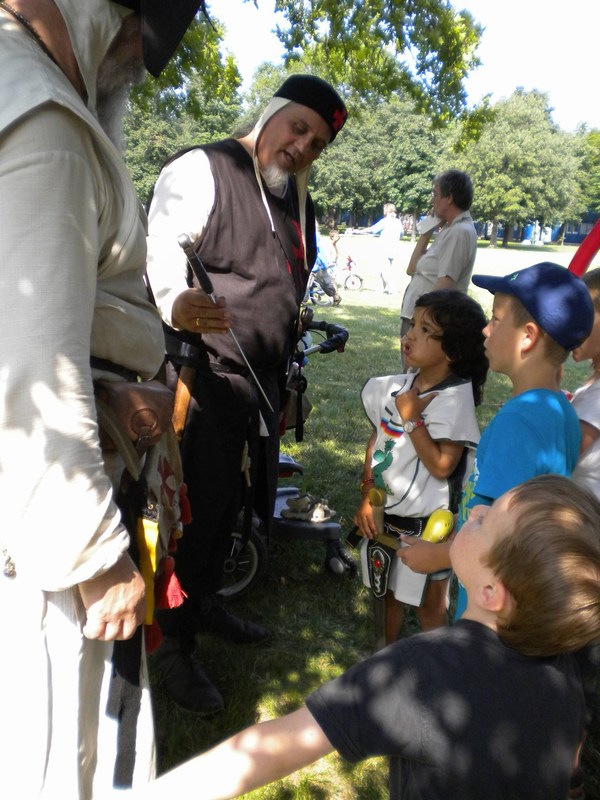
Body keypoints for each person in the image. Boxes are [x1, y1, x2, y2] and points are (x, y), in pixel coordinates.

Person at [0, 0, 206, 797]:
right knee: (58, 760)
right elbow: (28, 375)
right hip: (43, 546)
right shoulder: (44, 121)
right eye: (126, 42)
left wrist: (109, 388)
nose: (124, 67)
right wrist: (95, 555)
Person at [139, 475, 600, 800]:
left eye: (486, 520)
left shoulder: (422, 672)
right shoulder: (565, 671)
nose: (476, 509)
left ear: (491, 593)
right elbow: (570, 766)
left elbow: (276, 748)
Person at [146, 75, 347, 713]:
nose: (303, 146)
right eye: (298, 128)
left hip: (257, 388)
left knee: (231, 507)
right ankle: (171, 646)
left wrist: (285, 381)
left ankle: (205, 605)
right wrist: (176, 300)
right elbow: (160, 250)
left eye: (316, 143)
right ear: (273, 113)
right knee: (190, 517)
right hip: (199, 380)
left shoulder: (298, 201)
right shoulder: (203, 169)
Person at [396, 262, 594, 620]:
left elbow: (500, 535)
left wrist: (436, 556)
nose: (486, 329)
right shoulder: (561, 410)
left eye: (496, 319)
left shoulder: (520, 421)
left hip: (491, 608)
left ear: (528, 337)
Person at [354, 290, 488, 645]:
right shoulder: (400, 385)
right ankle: (385, 659)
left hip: (430, 528)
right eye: (412, 324)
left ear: (453, 350)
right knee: (388, 593)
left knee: (430, 606)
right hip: (387, 517)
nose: (409, 335)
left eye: (425, 330)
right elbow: (377, 440)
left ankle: (440, 667)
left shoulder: (454, 401)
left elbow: (443, 465)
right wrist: (368, 492)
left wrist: (412, 419)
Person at [400, 170, 476, 360]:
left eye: (436, 194)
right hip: (418, 319)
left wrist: (421, 324)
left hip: (428, 323)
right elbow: (411, 269)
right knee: (410, 372)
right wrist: (427, 231)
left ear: (449, 198)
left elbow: (445, 284)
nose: (432, 200)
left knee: (416, 374)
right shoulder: (450, 229)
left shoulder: (459, 232)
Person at [364, 202, 404, 293]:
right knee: (384, 269)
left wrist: (357, 231)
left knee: (385, 270)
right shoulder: (398, 222)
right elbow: (402, 233)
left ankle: (392, 289)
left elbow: (372, 230)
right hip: (394, 249)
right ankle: (381, 288)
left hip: (384, 249)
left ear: (386, 210)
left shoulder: (385, 221)